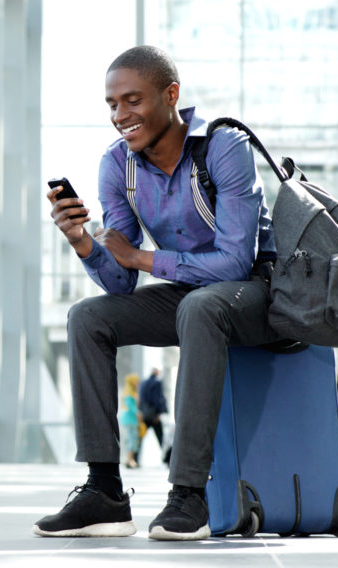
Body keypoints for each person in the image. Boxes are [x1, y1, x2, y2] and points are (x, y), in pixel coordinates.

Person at [33, 45, 279, 541]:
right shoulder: (117, 167)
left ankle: (189, 494)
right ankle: (104, 492)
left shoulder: (223, 146)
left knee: (202, 304)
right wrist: (83, 242)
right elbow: (120, 281)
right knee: (88, 318)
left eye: (132, 100)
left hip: (258, 295)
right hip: (193, 299)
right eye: (111, 104)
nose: (120, 115)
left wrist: (144, 258)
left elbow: (235, 260)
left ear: (171, 96)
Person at [138, 367, 169, 463]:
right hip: (153, 415)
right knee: (161, 438)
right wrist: (159, 412)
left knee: (140, 437)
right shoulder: (156, 383)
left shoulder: (143, 383)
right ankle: (168, 459)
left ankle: (134, 458)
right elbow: (157, 399)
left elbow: (141, 399)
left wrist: (142, 411)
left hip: (145, 414)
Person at [118, 374, 141, 469]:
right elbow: (130, 405)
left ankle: (130, 459)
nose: (137, 383)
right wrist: (138, 413)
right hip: (130, 419)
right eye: (136, 381)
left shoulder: (132, 392)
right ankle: (130, 460)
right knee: (131, 439)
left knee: (132, 439)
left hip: (131, 419)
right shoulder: (129, 393)